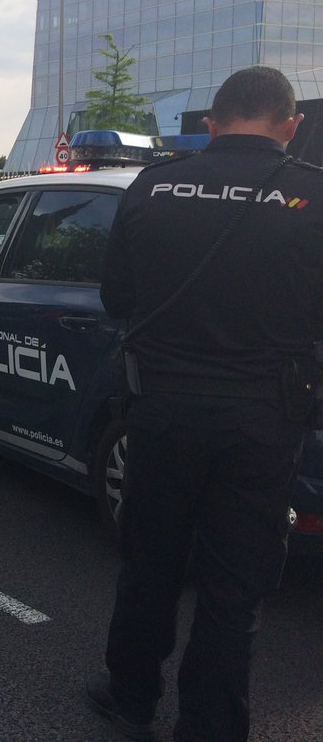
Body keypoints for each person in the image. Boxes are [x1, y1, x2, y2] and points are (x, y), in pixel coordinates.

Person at [87, 66, 323, 742]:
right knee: (233, 584)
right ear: (291, 124)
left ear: (211, 124)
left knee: (150, 558)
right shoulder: (313, 195)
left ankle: (130, 695)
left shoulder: (155, 185)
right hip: (264, 422)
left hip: (163, 410)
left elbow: (116, 297)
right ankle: (210, 727)